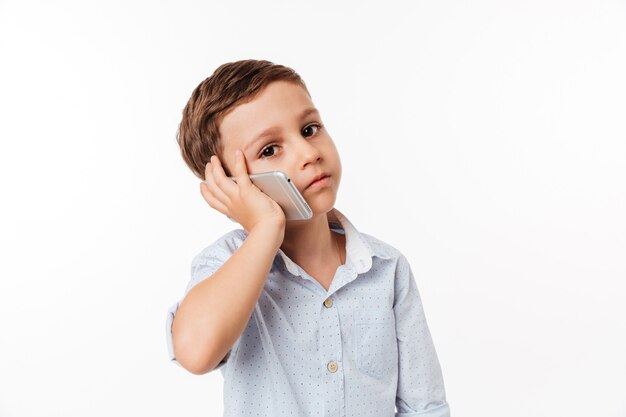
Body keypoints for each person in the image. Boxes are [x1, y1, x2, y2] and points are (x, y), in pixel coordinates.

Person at [165, 59, 451, 417]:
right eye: (269, 149)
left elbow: (424, 406)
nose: (309, 153)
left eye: (310, 129)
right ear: (229, 183)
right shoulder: (227, 263)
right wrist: (267, 225)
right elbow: (195, 352)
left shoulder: (387, 268)